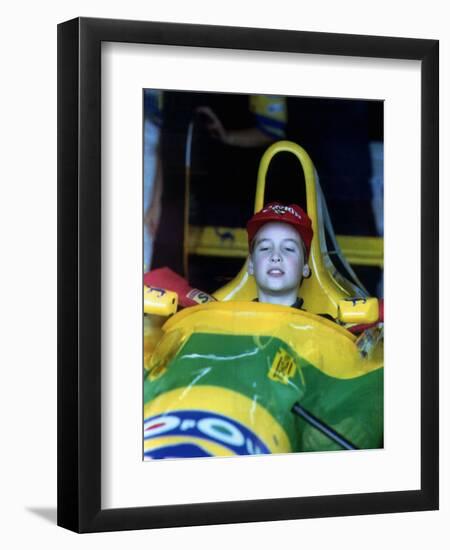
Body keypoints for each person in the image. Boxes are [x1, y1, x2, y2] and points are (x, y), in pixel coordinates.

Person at [246, 202, 313, 308]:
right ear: (250, 265)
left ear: (305, 267)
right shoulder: (227, 322)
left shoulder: (327, 324)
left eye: (289, 249)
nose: (275, 257)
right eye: (265, 248)